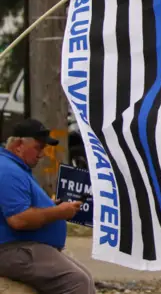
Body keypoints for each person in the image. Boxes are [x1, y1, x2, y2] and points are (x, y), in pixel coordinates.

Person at [0, 119, 94, 294]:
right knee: (77, 282)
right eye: (39, 147)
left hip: (24, 246)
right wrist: (58, 212)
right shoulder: (7, 171)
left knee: (86, 277)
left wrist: (51, 206)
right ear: (19, 145)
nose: (42, 154)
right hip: (11, 248)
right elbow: (18, 219)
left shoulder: (15, 168)